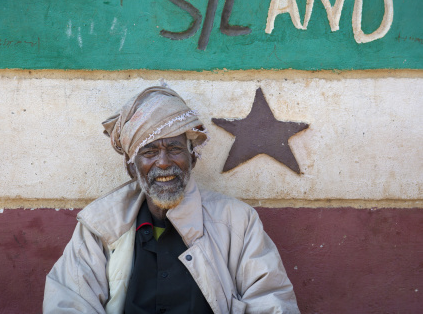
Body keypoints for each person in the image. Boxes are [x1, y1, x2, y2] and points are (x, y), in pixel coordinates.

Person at [43, 86, 299, 313]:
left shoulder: (238, 223)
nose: (163, 163)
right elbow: (69, 302)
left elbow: (271, 302)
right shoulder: (100, 226)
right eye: (150, 152)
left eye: (175, 149)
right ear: (132, 168)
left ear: (193, 159)